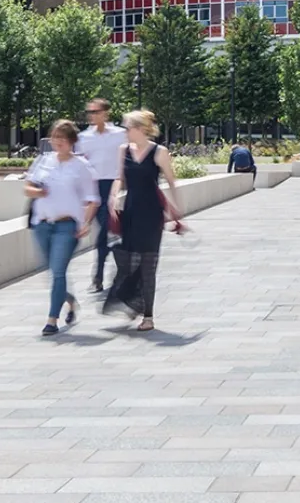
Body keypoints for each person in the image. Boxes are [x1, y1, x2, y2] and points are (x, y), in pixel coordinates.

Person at [104, 109, 187, 332]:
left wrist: (176, 211)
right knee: (127, 261)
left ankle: (148, 316)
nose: (125, 131)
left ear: (140, 130)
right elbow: (120, 178)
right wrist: (112, 199)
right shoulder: (124, 150)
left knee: (148, 265)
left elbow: (171, 181)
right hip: (130, 211)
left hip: (152, 215)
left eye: (128, 127)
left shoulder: (159, 152)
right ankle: (132, 301)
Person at [25, 120, 100, 336]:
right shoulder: (43, 160)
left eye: (63, 139)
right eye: (55, 137)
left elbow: (93, 199)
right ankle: (70, 301)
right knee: (52, 272)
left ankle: (51, 320)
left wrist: (85, 223)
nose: (58, 142)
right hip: (42, 224)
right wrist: (36, 192)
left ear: (72, 142)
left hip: (67, 226)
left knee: (58, 271)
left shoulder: (81, 166)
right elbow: (28, 186)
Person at [78, 99, 129, 294]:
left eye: (96, 111)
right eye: (89, 112)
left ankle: (100, 275)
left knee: (106, 230)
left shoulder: (119, 135)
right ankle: (102, 274)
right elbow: (81, 164)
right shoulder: (84, 138)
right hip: (94, 187)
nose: (92, 115)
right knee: (104, 230)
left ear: (106, 113)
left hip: (114, 186)